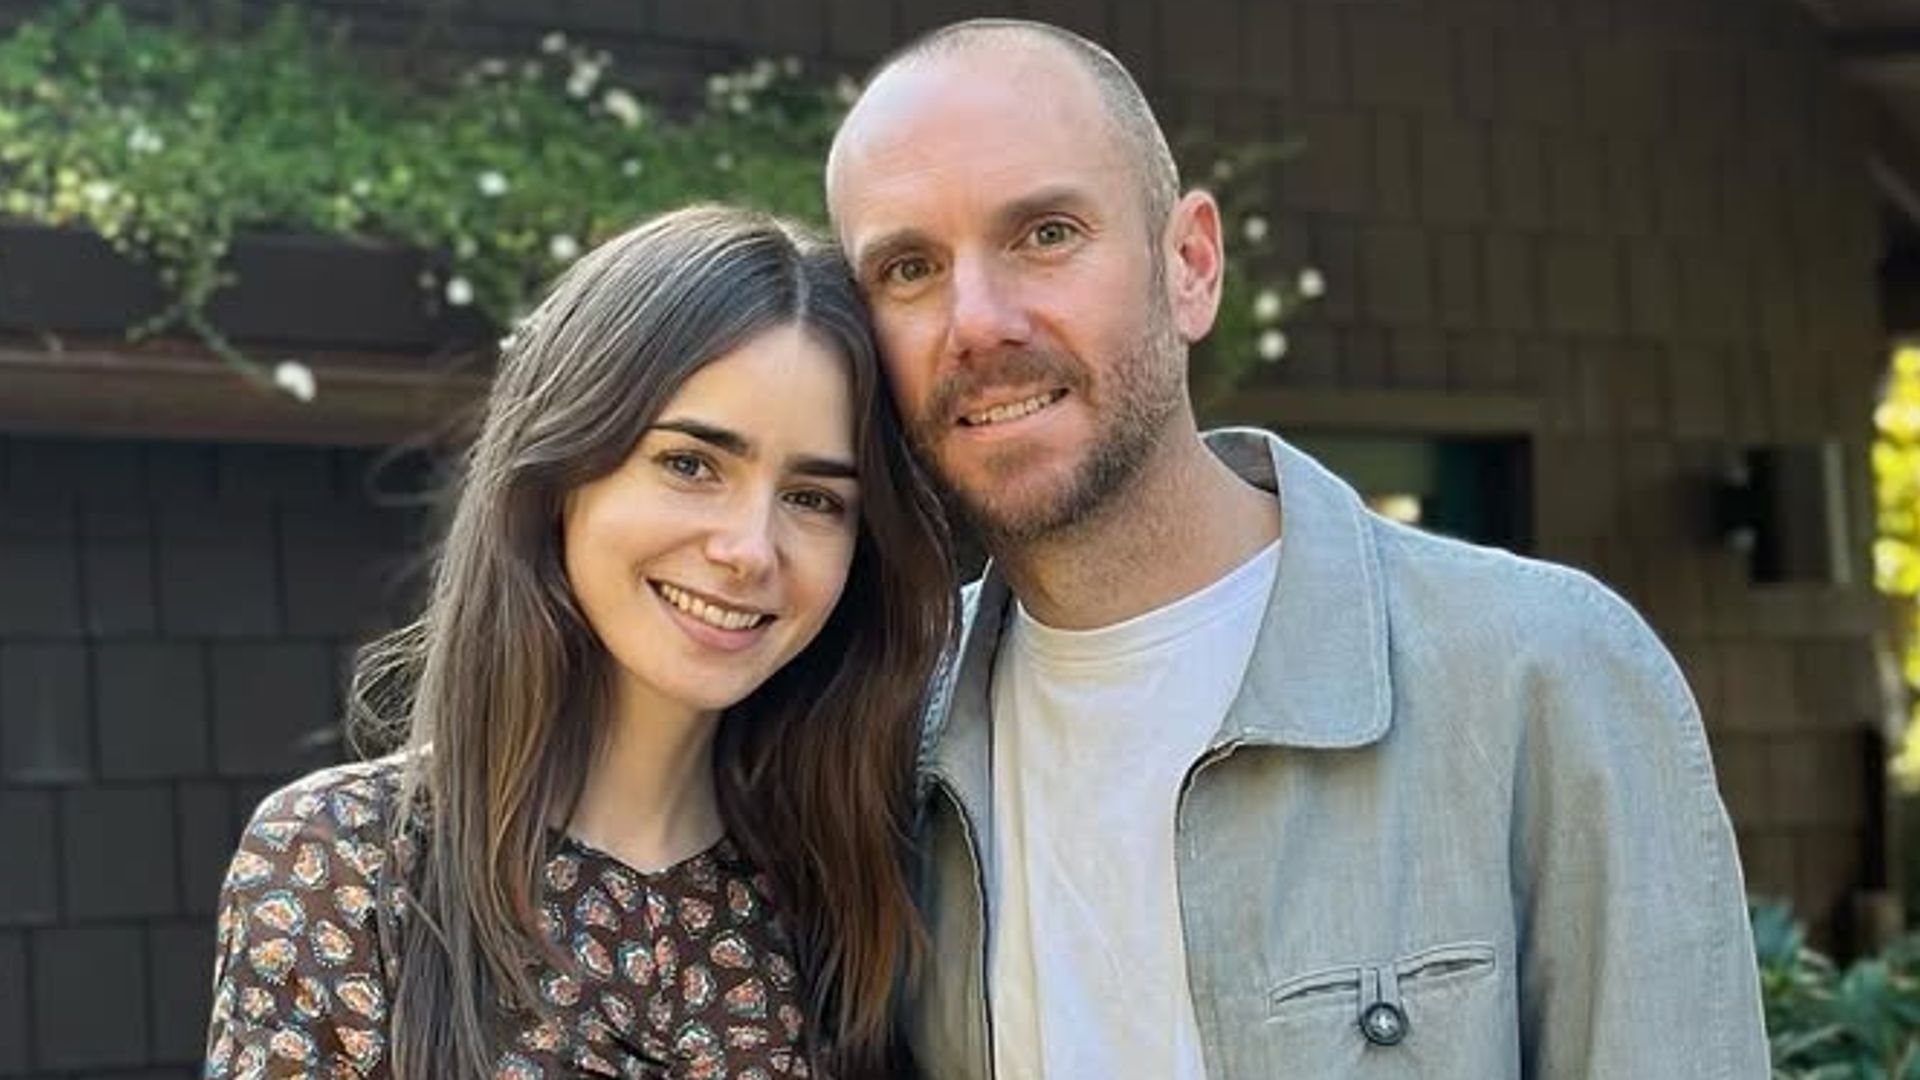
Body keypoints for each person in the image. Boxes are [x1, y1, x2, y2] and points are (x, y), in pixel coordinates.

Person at [825, 18, 1771, 1079]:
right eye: (909, 268)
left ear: (1190, 265)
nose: (979, 321)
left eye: (1045, 234)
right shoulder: (877, 724)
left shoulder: (1542, 675)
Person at [203, 205, 954, 1079]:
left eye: (815, 499)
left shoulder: (854, 895)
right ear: (560, 471)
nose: (750, 550)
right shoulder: (343, 865)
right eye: (690, 464)